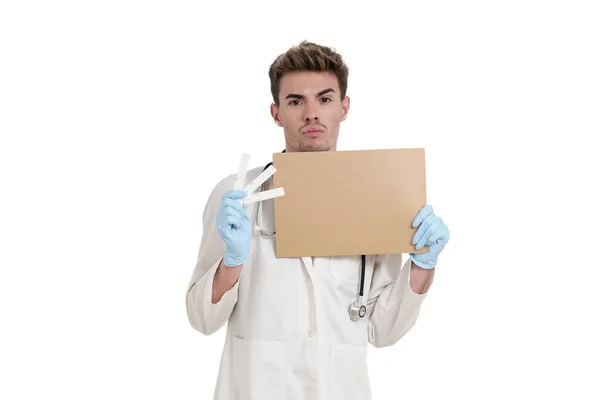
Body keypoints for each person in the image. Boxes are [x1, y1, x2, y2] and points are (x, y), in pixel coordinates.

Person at [186, 40, 450, 400]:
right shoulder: (237, 196)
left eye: (324, 99)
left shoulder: (376, 199)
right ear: (276, 113)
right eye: (296, 101)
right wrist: (232, 262)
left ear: (344, 108)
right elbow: (202, 320)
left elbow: (382, 330)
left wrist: (421, 266)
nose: (311, 113)